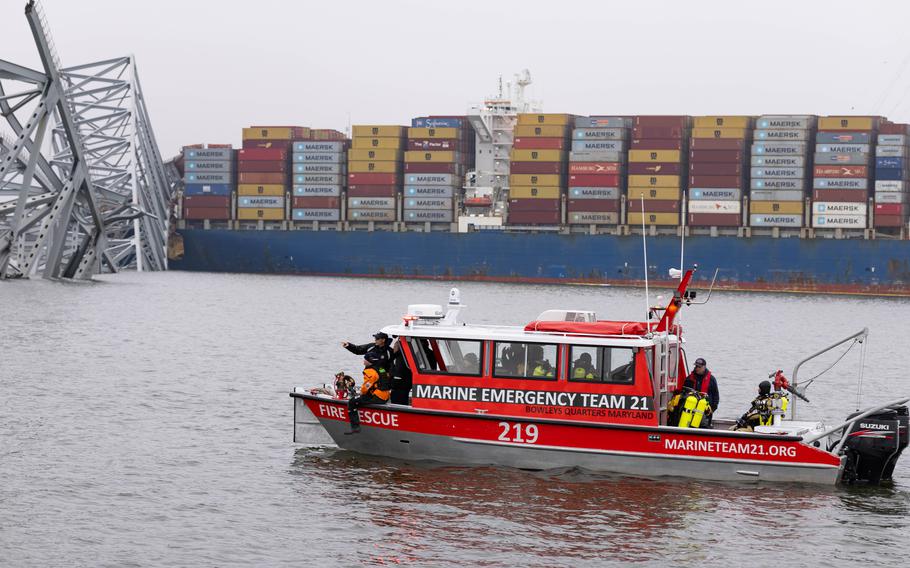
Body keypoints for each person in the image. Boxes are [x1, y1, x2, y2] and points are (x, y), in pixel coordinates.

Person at [345, 353, 391, 435]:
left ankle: (355, 427)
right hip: (385, 396)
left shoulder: (370, 371)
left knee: (351, 402)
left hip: (378, 397)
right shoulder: (381, 368)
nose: (363, 361)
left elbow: (367, 385)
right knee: (362, 398)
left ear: (369, 361)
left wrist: (361, 393)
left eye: (365, 359)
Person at [680, 357, 719, 427]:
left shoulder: (711, 380)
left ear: (704, 367)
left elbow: (716, 396)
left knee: (705, 427)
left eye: (699, 367)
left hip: (705, 412)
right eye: (696, 366)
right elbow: (683, 394)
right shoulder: (689, 379)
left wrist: (712, 410)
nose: (697, 368)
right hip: (690, 411)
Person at [389, 339, 413, 405]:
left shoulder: (400, 358)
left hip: (400, 386)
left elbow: (398, 372)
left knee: (398, 401)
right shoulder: (400, 357)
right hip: (403, 386)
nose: (393, 348)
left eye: (395, 346)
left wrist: (391, 384)